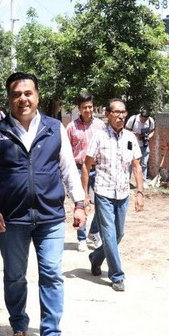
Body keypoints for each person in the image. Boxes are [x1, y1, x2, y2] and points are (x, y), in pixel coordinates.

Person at [0, 72, 85, 336]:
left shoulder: (54, 128)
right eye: (16, 94)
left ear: (36, 96)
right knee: (14, 276)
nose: (22, 99)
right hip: (11, 219)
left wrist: (80, 203)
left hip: (49, 217)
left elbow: (68, 169)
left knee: (51, 274)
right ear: (9, 99)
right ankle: (19, 329)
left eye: (28, 93)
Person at [84, 99, 145, 292]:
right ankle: (117, 275)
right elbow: (87, 166)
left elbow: (136, 166)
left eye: (123, 112)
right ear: (108, 114)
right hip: (103, 192)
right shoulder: (99, 137)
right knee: (109, 235)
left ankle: (96, 257)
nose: (120, 116)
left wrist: (140, 192)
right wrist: (84, 195)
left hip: (123, 193)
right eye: (116, 112)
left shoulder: (130, 138)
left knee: (118, 234)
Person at [66, 93, 104, 252]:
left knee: (102, 204)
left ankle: (94, 232)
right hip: (77, 169)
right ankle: (81, 239)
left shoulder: (101, 125)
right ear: (79, 108)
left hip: (98, 169)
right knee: (80, 203)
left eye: (90, 106)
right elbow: (66, 151)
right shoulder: (71, 127)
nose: (88, 110)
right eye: (84, 107)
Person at [125, 109, 155, 180]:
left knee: (144, 164)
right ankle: (127, 180)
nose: (143, 121)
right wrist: (136, 134)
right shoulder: (133, 119)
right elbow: (126, 130)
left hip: (144, 144)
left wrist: (148, 137)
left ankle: (143, 180)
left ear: (148, 118)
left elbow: (152, 131)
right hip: (131, 144)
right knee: (129, 163)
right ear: (140, 116)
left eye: (145, 120)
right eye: (142, 119)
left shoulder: (150, 121)